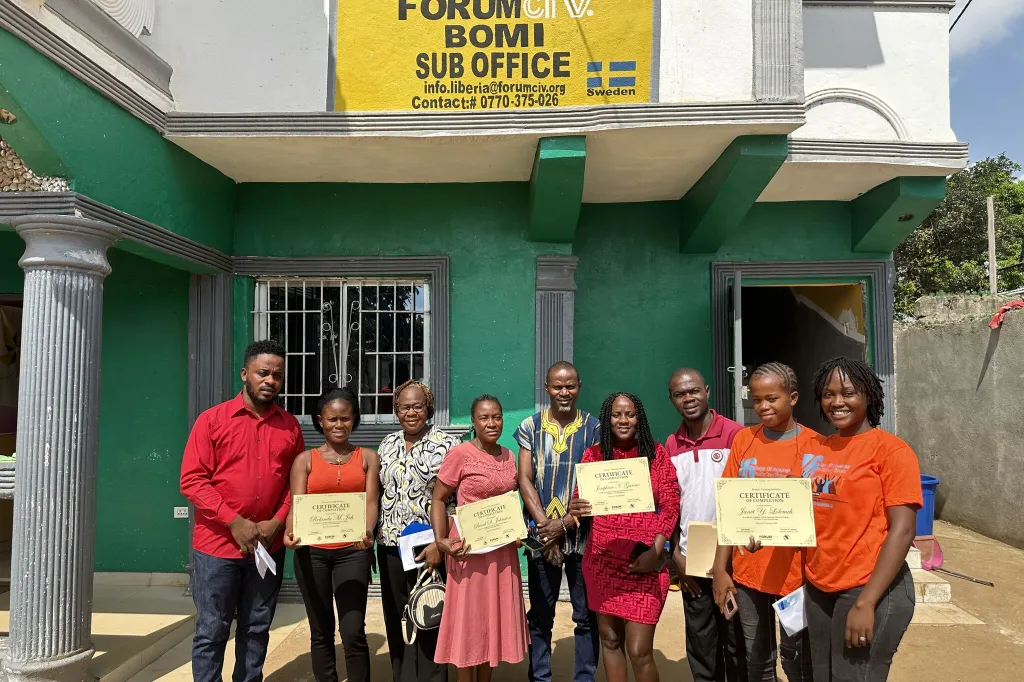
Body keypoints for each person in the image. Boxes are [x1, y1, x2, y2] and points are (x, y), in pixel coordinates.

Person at [180, 340, 305, 682]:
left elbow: (296, 485)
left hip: (268, 546)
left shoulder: (290, 427)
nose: (270, 380)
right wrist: (234, 522)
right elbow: (192, 480)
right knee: (212, 629)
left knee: (257, 626)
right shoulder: (212, 421)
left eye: (277, 375)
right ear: (244, 374)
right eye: (263, 373)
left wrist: (277, 522)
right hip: (217, 547)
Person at [801, 357, 921, 682]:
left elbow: (904, 528)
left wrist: (867, 602)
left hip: (868, 587)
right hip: (819, 587)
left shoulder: (891, 451)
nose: (837, 402)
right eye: (828, 394)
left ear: (868, 395)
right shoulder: (817, 448)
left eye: (848, 392)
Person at [711, 363, 816, 682]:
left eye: (772, 398)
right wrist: (719, 568)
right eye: (757, 400)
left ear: (793, 397)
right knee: (757, 660)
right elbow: (728, 508)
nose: (763, 407)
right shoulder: (744, 440)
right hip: (749, 574)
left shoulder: (814, 447)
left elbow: (818, 513)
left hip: (795, 577)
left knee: (796, 660)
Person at [568, 393, 680, 682]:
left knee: (639, 649)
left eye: (630, 414)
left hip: (644, 562)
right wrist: (577, 506)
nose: (623, 420)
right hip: (602, 563)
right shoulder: (593, 455)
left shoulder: (655, 454)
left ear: (639, 418)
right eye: (617, 414)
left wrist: (655, 552)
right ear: (607, 419)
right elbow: (582, 500)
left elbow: (670, 504)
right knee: (610, 641)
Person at [282, 387, 380, 682]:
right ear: (320, 421)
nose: (339, 425)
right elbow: (296, 508)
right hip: (312, 554)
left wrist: (366, 531)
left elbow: (371, 502)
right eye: (332, 419)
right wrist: (289, 532)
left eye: (346, 418)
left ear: (354, 420)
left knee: (353, 631)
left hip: (353, 552)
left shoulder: (368, 458)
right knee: (320, 630)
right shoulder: (305, 461)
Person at [430, 395, 529, 681]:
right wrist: (440, 540)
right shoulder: (460, 454)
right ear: (473, 422)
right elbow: (438, 500)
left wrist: (517, 529)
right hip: (468, 550)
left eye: (496, 416)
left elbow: (514, 502)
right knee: (469, 620)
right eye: (484, 418)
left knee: (491, 619)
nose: (492, 423)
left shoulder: (510, 457)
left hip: (501, 552)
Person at [516, 361, 601, 682]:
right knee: (539, 615)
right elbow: (524, 479)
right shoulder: (529, 427)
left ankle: (584, 678)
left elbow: (594, 484)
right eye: (557, 386)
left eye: (570, 386)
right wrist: (544, 527)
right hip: (540, 538)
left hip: (581, 536)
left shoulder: (594, 428)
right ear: (547, 388)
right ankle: (540, 677)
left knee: (585, 617)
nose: (564, 392)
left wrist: (562, 525)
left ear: (579, 387)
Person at [665, 368, 746, 682]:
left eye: (693, 391)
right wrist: (675, 554)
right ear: (672, 399)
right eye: (680, 394)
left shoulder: (736, 435)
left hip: (735, 559)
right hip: (692, 560)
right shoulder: (672, 444)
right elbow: (671, 504)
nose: (688, 399)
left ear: (707, 391)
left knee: (737, 641)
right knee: (701, 644)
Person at [376, 380, 459, 682]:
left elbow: (455, 501)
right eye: (403, 407)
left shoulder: (447, 445)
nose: (410, 412)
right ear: (396, 410)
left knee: (430, 614)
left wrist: (442, 542)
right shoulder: (387, 444)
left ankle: (433, 677)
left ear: (428, 408)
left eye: (417, 406)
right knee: (398, 615)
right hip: (391, 545)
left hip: (429, 547)